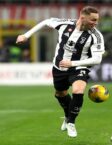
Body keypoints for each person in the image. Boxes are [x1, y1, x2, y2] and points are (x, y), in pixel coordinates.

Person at [16, 6, 105, 138]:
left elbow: (97, 59)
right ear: (82, 17)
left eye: (97, 20)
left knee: (78, 90)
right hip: (59, 67)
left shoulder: (96, 36)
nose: (95, 23)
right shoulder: (64, 24)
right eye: (93, 20)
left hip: (79, 67)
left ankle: (71, 123)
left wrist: (73, 63)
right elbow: (45, 22)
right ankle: (67, 115)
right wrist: (26, 35)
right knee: (60, 93)